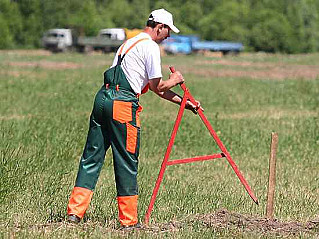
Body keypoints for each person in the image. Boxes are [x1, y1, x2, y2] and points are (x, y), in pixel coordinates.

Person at [66, 8, 200, 228]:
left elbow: (153, 88)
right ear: (160, 27)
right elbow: (158, 86)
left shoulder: (129, 43)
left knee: (91, 157)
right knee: (127, 160)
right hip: (122, 105)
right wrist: (175, 79)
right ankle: (129, 222)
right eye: (167, 33)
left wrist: (186, 103)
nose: (167, 38)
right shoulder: (150, 47)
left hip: (102, 99)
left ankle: (74, 213)